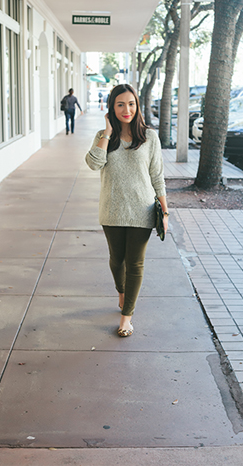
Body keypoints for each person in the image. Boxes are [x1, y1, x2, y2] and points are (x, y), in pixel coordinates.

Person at [85, 84, 169, 337]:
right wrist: (108, 132)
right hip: (111, 209)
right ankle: (121, 291)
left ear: (137, 106)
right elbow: (93, 164)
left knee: (135, 264)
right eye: (120, 104)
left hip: (142, 209)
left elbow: (157, 176)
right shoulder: (104, 136)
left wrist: (165, 211)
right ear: (112, 107)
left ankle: (126, 317)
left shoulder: (150, 137)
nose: (127, 109)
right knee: (116, 260)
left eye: (131, 104)